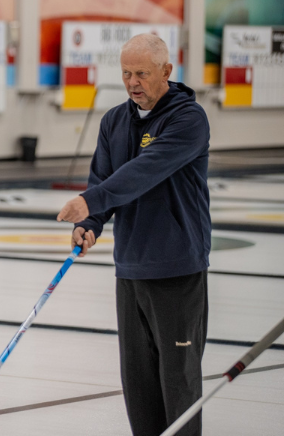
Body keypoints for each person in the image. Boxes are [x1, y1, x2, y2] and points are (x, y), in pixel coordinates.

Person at [57, 34, 211, 436]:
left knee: (178, 383)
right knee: (139, 386)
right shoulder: (114, 120)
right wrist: (89, 224)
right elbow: (104, 178)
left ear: (166, 71)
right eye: (126, 73)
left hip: (176, 269)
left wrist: (90, 201)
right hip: (130, 268)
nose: (132, 82)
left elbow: (144, 171)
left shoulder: (188, 119)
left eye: (142, 73)